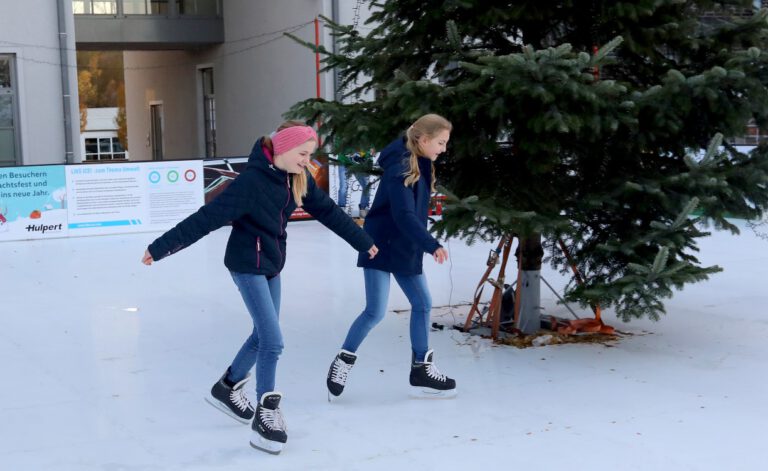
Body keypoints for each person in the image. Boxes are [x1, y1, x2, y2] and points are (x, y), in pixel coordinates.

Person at [141, 122, 377, 454]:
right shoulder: (251, 182)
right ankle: (266, 413)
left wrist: (363, 241)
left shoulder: (297, 178)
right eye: (303, 154)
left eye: (311, 156)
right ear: (283, 149)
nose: (308, 162)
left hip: (271, 264)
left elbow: (327, 211)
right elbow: (206, 218)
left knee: (262, 334)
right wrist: (160, 247)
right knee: (272, 340)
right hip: (245, 265)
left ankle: (227, 387)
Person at [326, 113, 456, 400]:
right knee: (375, 311)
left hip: (406, 243)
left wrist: (420, 241)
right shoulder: (399, 166)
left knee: (422, 302)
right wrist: (430, 243)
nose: (443, 149)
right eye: (441, 142)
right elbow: (403, 214)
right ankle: (343, 360)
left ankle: (421, 367)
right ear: (423, 140)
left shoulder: (419, 159)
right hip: (380, 243)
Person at [337, 149, 373, 218]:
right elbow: (340, 145)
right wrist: (354, 155)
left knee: (367, 186)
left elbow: (369, 149)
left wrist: (366, 159)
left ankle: (363, 208)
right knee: (343, 187)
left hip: (358, 164)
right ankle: (341, 210)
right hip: (344, 162)